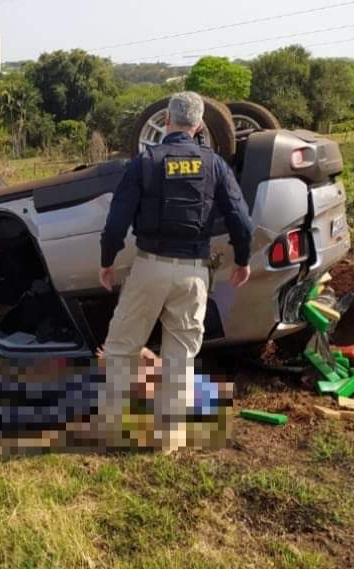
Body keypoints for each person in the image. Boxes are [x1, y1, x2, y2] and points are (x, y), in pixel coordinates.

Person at [97, 91, 253, 452]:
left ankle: (117, 431)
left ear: (166, 120)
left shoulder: (145, 162)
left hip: (150, 267)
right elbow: (241, 222)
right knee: (180, 357)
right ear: (198, 125)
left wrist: (107, 261)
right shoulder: (214, 164)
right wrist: (242, 260)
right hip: (194, 273)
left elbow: (116, 221)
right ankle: (169, 441)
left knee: (121, 348)